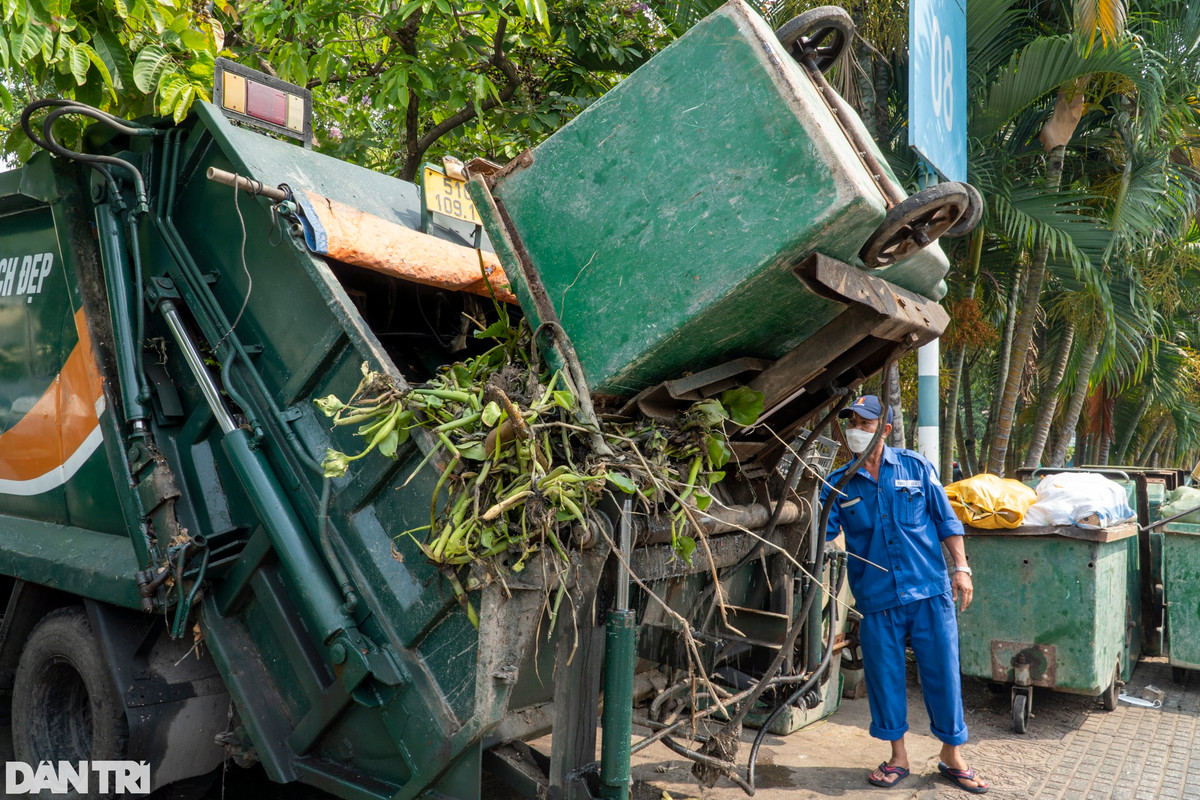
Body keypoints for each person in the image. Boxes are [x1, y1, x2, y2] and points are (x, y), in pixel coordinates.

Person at [821, 395, 988, 793]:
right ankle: (898, 758)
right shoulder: (839, 482)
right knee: (885, 678)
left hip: (929, 590)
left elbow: (946, 520)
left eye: (864, 423)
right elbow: (822, 533)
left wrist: (961, 568)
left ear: (884, 429)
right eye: (852, 423)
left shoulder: (916, 467)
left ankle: (952, 755)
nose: (856, 430)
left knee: (943, 672)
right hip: (877, 598)